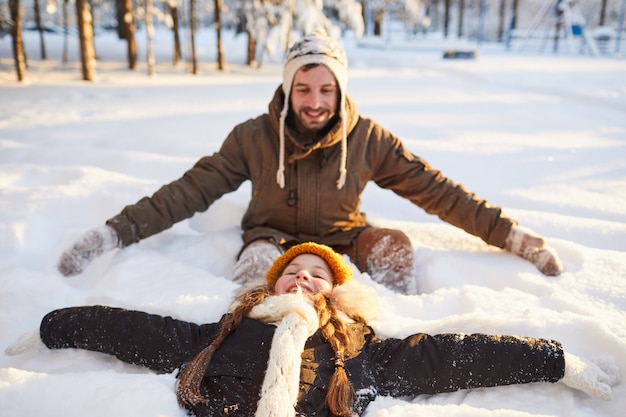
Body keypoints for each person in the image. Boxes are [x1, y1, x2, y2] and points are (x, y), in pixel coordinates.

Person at [56, 31, 563, 293]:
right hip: (270, 236)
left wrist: (513, 237)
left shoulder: (368, 139)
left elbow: (440, 192)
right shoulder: (253, 137)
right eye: (303, 88)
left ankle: (378, 331)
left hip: (342, 237)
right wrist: (112, 233)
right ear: (288, 87)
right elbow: (188, 191)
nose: (315, 101)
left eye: (326, 89)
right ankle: (253, 340)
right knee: (257, 270)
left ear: (340, 90)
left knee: (396, 247)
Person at [10, 242, 615, 416]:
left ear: (336, 293)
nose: (302, 280)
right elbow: (132, 330)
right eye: (290, 272)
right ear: (268, 285)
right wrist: (55, 324)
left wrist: (553, 360)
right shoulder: (218, 335)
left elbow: (454, 356)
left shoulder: (358, 350)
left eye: (317, 275)